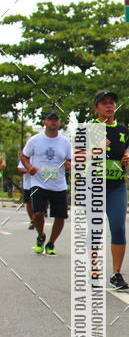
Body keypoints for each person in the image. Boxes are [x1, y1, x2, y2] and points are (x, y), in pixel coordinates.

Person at [92, 91, 129, 290]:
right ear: (96, 108)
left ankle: (116, 273)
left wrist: (126, 156)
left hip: (117, 186)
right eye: (104, 103)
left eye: (112, 102)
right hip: (94, 187)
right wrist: (96, 150)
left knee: (117, 228)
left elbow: (126, 148)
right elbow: (77, 157)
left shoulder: (123, 129)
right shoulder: (90, 130)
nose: (109, 106)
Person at [21, 109, 72, 255]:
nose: (53, 122)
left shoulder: (65, 141)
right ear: (45, 121)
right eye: (50, 119)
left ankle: (51, 243)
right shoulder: (35, 140)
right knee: (37, 214)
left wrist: (69, 164)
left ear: (59, 122)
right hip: (39, 182)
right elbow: (23, 156)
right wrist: (29, 167)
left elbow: (69, 159)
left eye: (56, 119)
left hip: (59, 184)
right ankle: (41, 235)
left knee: (60, 216)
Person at [17, 158, 35, 228]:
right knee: (29, 203)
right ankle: (33, 221)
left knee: (42, 202)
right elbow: (20, 169)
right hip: (28, 185)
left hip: (40, 184)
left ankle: (36, 218)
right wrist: (29, 170)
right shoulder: (25, 158)